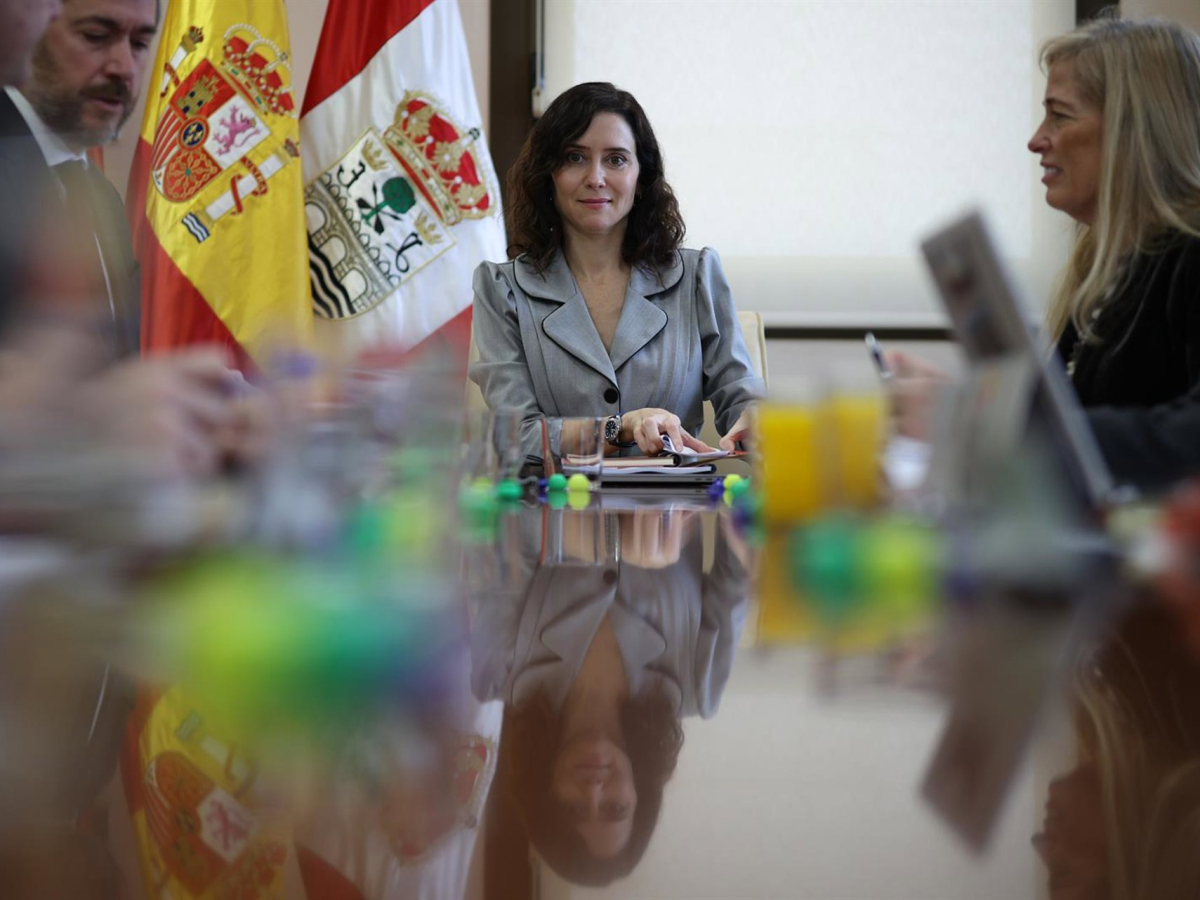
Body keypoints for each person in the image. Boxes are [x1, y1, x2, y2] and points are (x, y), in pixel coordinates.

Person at [890, 16, 1200, 493]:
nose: (1036, 139)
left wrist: (970, 418)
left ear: (1133, 130)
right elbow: (1065, 437)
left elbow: (1187, 440)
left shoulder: (1191, 255)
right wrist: (967, 402)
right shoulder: (1105, 274)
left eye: (1060, 115)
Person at [469, 82, 763, 458]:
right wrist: (617, 427)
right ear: (548, 174)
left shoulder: (697, 277)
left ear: (641, 178)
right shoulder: (501, 288)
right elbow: (517, 436)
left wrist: (756, 421)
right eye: (575, 157)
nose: (596, 177)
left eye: (616, 160)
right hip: (552, 496)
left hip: (676, 496)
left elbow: (742, 397)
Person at [470, 507, 751, 885]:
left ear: (545, 795)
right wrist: (745, 520)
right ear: (639, 797)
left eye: (574, 809)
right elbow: (740, 562)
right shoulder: (700, 687)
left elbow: (500, 518)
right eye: (615, 808)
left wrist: (605, 539)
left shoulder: (496, 670)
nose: (595, 790)